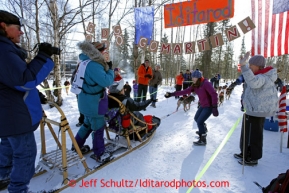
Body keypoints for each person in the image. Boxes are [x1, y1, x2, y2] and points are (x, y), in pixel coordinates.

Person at [0, 10, 55, 192]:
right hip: (15, 115)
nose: (21, 32)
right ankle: (18, 189)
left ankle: (4, 177)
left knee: (8, 147)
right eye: (18, 28)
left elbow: (11, 82)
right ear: (3, 26)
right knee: (26, 154)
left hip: (7, 113)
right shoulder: (3, 49)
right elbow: (25, 80)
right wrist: (43, 57)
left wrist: (36, 94)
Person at [234, 52, 278, 166]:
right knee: (246, 132)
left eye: (250, 65)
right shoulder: (257, 75)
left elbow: (253, 83)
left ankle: (253, 157)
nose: (249, 67)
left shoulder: (263, 77)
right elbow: (250, 90)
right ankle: (244, 152)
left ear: (258, 66)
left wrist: (243, 66)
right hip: (251, 109)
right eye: (248, 65)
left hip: (258, 111)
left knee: (254, 135)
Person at [72, 41, 114, 163]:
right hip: (95, 103)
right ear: (97, 52)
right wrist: (110, 70)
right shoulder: (94, 65)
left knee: (87, 125)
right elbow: (106, 81)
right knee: (98, 127)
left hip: (85, 101)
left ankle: (76, 146)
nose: (105, 52)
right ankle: (99, 153)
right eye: (103, 51)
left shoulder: (84, 62)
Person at [164, 70, 218, 146]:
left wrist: (215, 107)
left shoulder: (206, 83)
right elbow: (185, 91)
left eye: (193, 77)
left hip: (209, 106)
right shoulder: (195, 85)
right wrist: (171, 94)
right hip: (202, 105)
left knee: (199, 121)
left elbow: (214, 94)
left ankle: (203, 140)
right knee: (196, 119)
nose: (192, 78)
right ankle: (203, 129)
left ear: (198, 77)